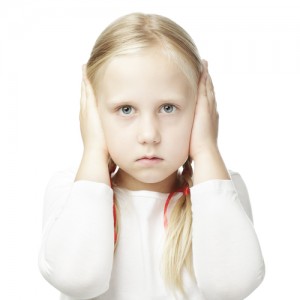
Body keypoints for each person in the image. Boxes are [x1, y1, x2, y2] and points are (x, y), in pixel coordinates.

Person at [38, 12, 265, 300]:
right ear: (92, 112)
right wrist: (94, 150)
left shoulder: (219, 191)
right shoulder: (72, 192)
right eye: (126, 109)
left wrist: (207, 150)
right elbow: (78, 280)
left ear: (200, 109)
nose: (149, 134)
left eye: (168, 108)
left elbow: (232, 286)